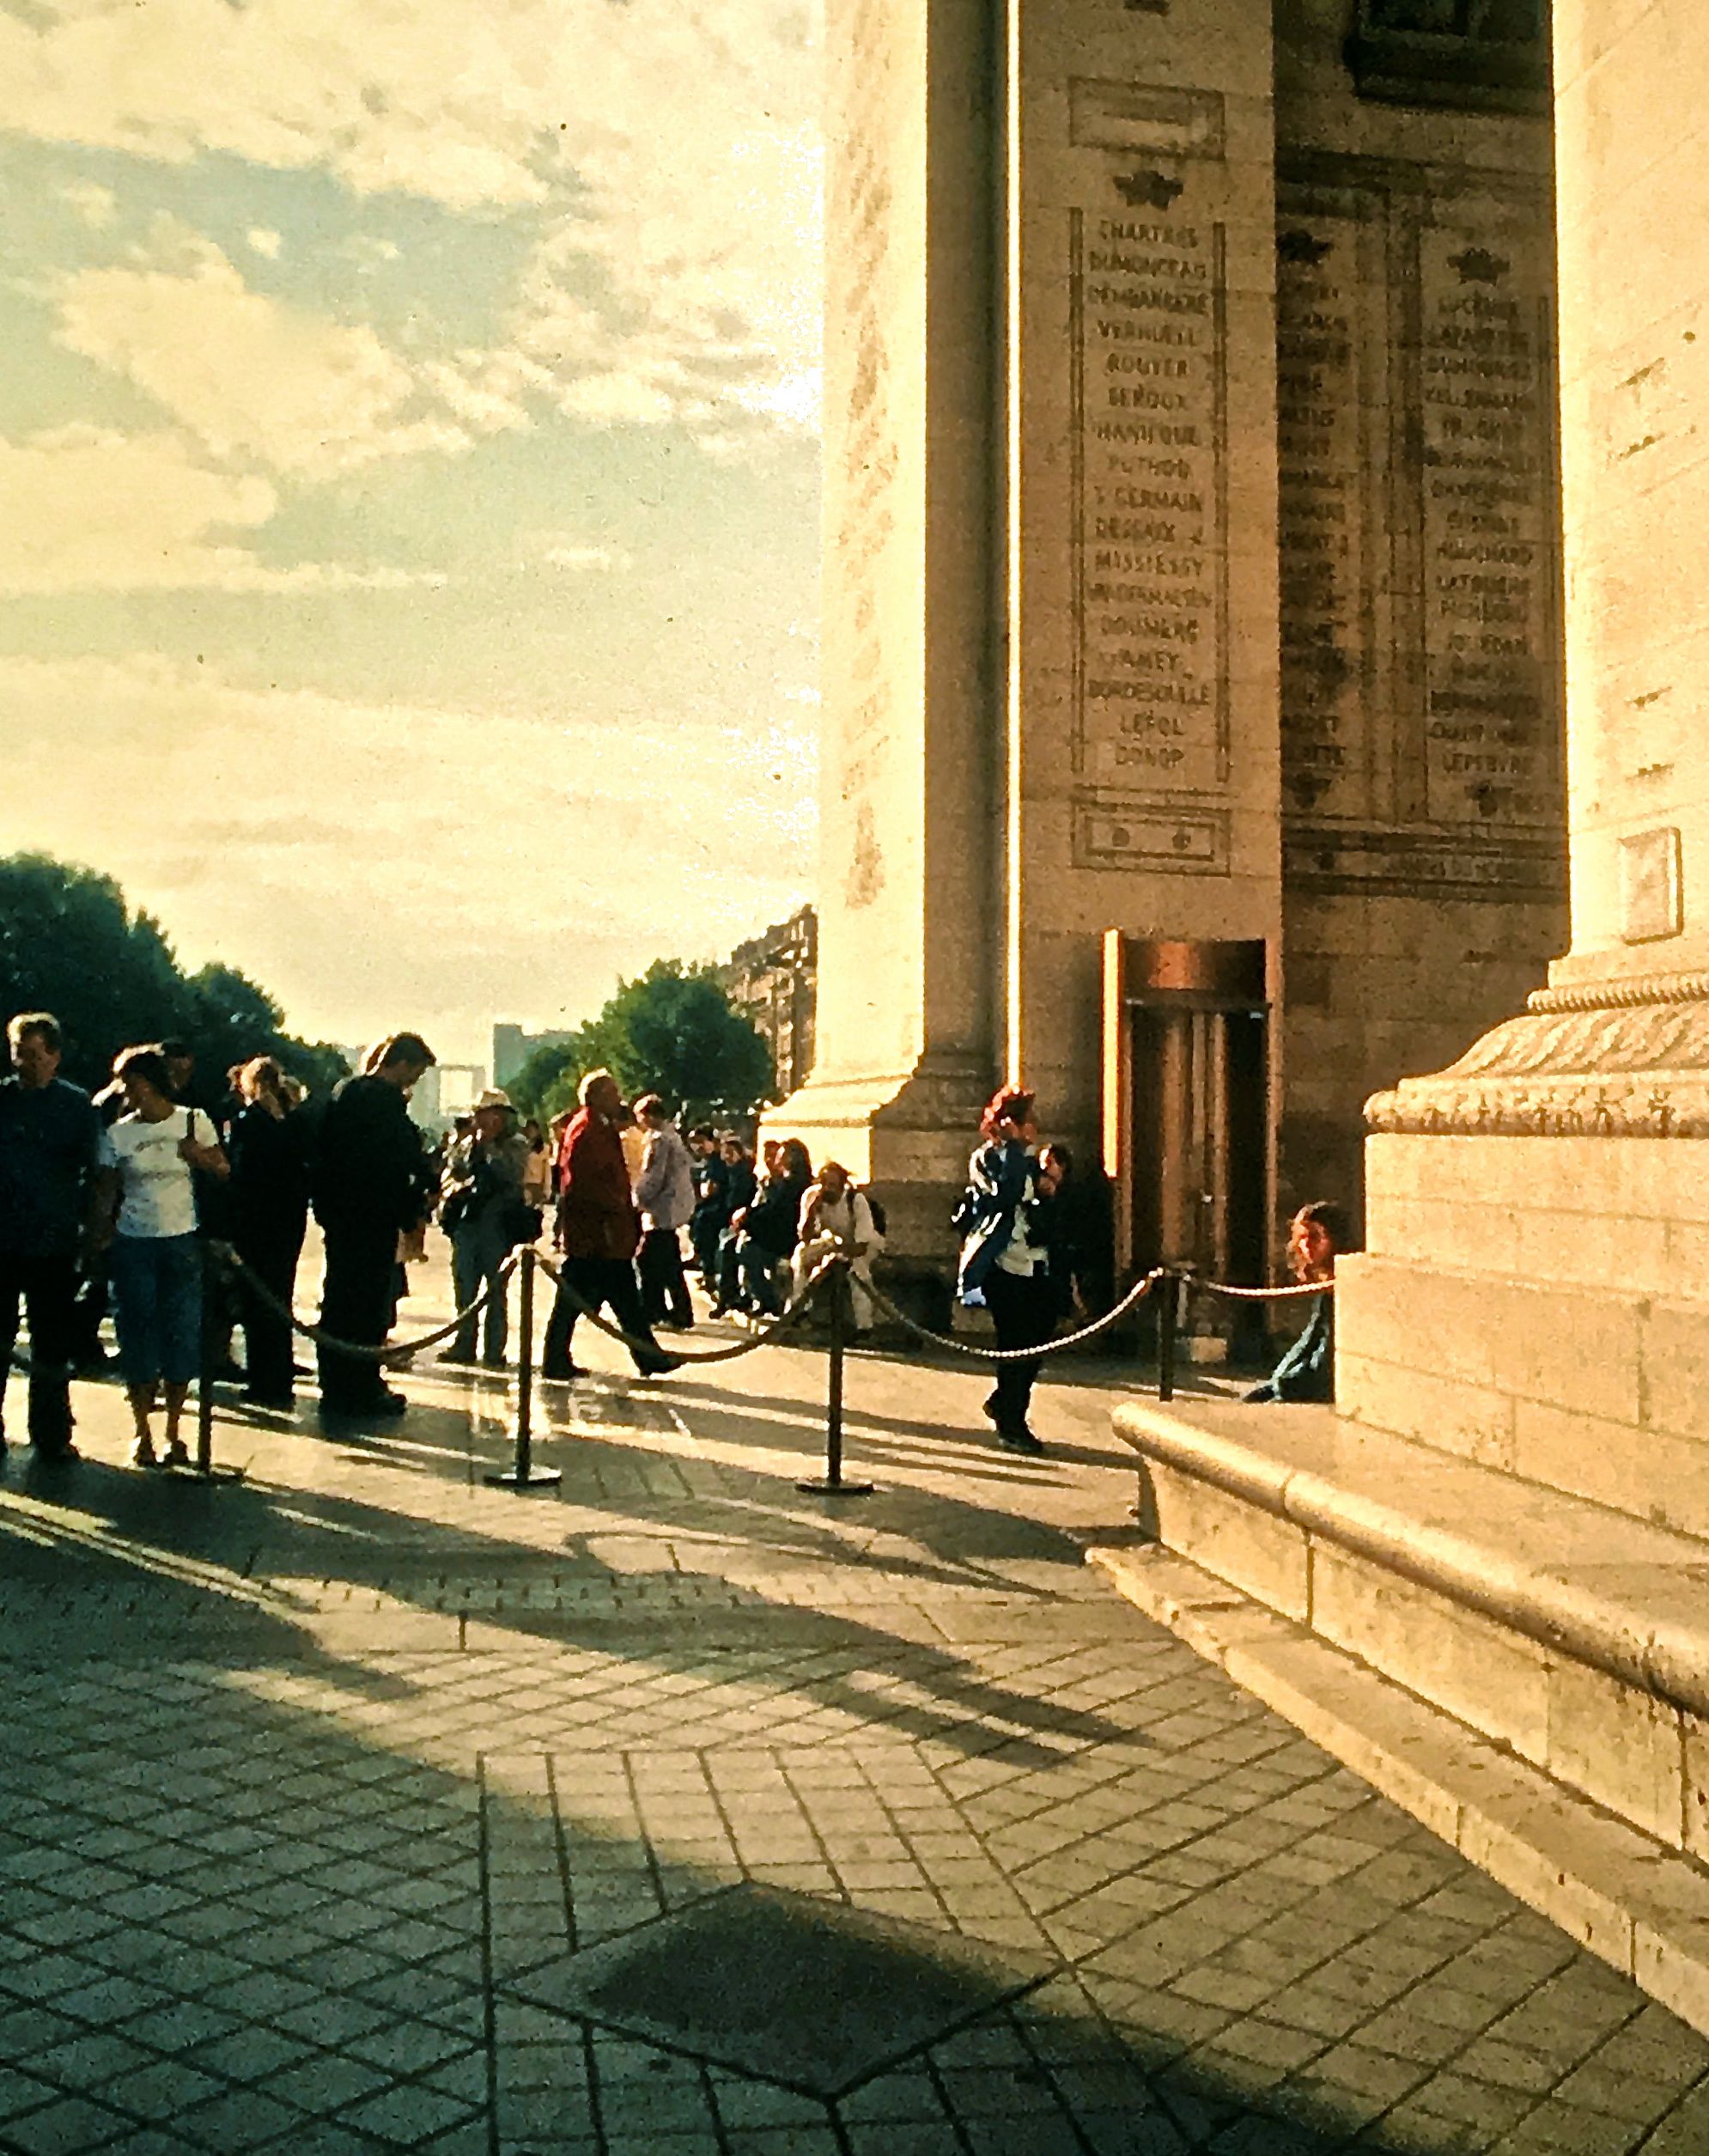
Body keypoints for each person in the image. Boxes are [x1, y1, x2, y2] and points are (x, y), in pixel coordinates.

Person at [96, 1045, 228, 1467]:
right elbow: (106, 1190)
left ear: (150, 1083)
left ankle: (173, 1429)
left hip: (181, 1239)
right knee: (136, 1333)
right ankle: (142, 1431)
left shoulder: (193, 1121)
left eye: (130, 1083)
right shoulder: (118, 1134)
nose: (125, 1092)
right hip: (133, 1241)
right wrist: (96, 1238)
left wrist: (198, 1156)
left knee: (181, 1333)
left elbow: (223, 1169)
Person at [311, 1032, 435, 1422]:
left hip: (341, 1216)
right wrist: (415, 1206)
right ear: (402, 1064)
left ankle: (336, 1383)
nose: (414, 1082)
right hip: (374, 1216)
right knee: (369, 1307)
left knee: (339, 1301)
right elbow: (400, 1161)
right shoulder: (385, 1104)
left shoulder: (343, 1094)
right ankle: (362, 1387)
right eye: (415, 1073)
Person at [0, 1012, 103, 1459]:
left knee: (51, 1341)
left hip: (53, 1240)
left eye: (33, 1054)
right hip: (3, 1238)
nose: (23, 1063)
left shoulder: (76, 1106)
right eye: (17, 1053)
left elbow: (96, 1172)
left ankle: (52, 1433)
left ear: (55, 1056)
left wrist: (93, 1231)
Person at [540, 1070, 674, 1379]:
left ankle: (647, 1356)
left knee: (622, 1298)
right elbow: (587, 1183)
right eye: (613, 1093)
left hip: (604, 1232)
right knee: (578, 1299)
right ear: (598, 1096)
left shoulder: (595, 1126)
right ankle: (557, 1359)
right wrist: (614, 1211)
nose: (619, 1099)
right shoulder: (587, 1129)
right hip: (597, 1233)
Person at [957, 1087, 1056, 1454]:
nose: (1034, 1127)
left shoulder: (1030, 1159)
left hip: (1035, 1261)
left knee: (1039, 1339)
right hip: (1002, 1263)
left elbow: (1039, 1200)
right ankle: (1012, 1421)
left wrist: (1048, 1183)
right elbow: (1005, 1196)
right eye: (1028, 1119)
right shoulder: (986, 1159)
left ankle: (1004, 1401)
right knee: (1015, 1343)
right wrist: (1013, 1149)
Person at [226, 1055, 309, 1410]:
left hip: (255, 1222)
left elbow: (239, 1172)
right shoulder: (292, 1121)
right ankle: (279, 1375)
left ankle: (263, 1379)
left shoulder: (247, 1122)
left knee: (257, 1305)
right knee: (279, 1299)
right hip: (288, 1222)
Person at [438, 1088, 531, 1367]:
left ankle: (494, 1349)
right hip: (468, 1222)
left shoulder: (516, 1144)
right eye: (478, 1114)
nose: (480, 1120)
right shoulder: (469, 1143)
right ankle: (464, 1343)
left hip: (499, 1225)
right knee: (464, 1288)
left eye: (486, 1114)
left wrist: (490, 1148)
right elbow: (453, 1169)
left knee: (495, 1291)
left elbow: (511, 1175)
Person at [1243, 1201, 1348, 1404]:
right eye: (1302, 1237)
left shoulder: (1342, 1287)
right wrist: (1278, 1379)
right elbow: (1308, 1341)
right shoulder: (1324, 1286)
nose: (1306, 1245)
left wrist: (1289, 1384)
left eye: (1316, 1237)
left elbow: (1326, 1354)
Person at [794, 1160, 880, 1332]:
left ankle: (864, 1325)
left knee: (858, 1270)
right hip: (833, 1242)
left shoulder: (856, 1201)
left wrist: (838, 1256)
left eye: (832, 1185)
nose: (828, 1189)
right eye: (824, 1184)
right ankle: (799, 1309)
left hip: (861, 1243)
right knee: (801, 1254)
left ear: (841, 1186)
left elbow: (861, 1246)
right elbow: (805, 1237)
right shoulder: (811, 1196)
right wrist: (812, 1211)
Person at [734, 1136, 812, 1317]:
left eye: (781, 1156)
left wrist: (747, 1222)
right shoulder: (785, 1182)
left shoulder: (793, 1185)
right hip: (777, 1233)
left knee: (747, 1250)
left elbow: (775, 1213)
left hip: (786, 1239)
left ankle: (767, 1300)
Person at [1037, 1142, 1116, 1319]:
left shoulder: (1075, 1191)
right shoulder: (1046, 1192)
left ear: (1062, 1165)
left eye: (1049, 1163)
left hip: (1080, 1251)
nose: (1044, 1169)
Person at [709, 1136, 757, 1316]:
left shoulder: (744, 1176)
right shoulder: (728, 1174)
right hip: (731, 1221)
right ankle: (723, 1290)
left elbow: (739, 1202)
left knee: (728, 1245)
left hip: (745, 1222)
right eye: (725, 1153)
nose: (727, 1157)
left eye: (731, 1152)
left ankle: (726, 1297)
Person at [686, 1126, 728, 1287]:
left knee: (704, 1223)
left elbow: (712, 1189)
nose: (697, 1147)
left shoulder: (717, 1161)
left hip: (719, 1207)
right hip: (709, 1205)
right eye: (694, 1143)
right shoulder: (706, 1162)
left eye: (700, 1142)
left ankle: (708, 1272)